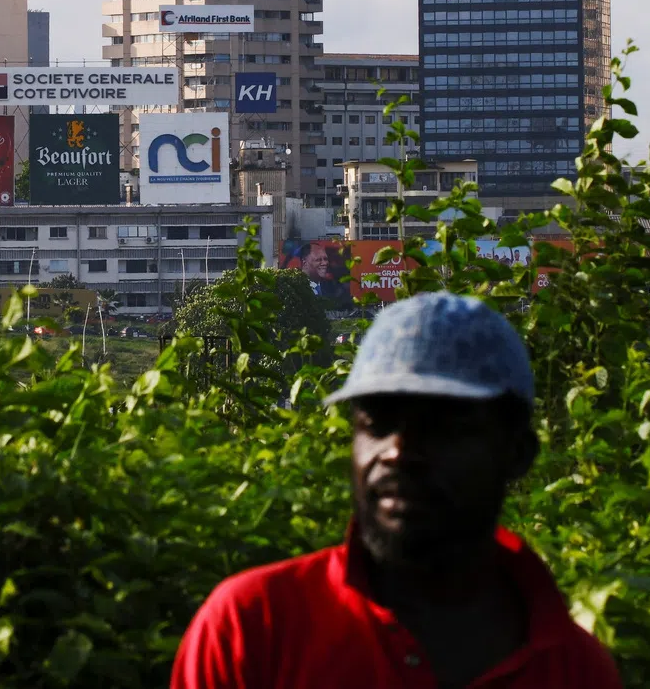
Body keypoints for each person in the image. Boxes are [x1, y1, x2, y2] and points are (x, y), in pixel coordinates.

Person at [171, 292, 621, 688]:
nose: (398, 451)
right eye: (377, 423)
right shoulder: (252, 629)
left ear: (517, 452)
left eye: (441, 426)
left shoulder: (573, 669)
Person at [298, 241, 353, 311]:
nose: (324, 263)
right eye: (318, 260)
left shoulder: (334, 287)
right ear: (305, 263)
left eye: (325, 259)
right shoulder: (293, 287)